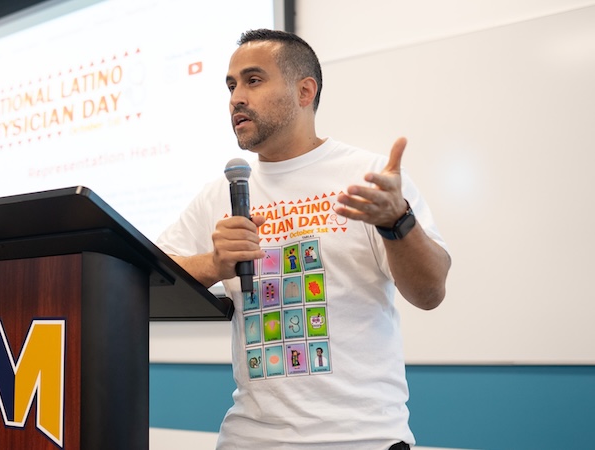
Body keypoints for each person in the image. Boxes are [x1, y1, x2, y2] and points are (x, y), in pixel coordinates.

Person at [156, 29, 451, 449]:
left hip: (360, 439)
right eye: (231, 86)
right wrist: (212, 264)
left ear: (304, 91)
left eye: (253, 80)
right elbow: (146, 281)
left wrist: (397, 222)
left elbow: (430, 293)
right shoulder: (220, 192)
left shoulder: (368, 177)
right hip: (249, 440)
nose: (237, 98)